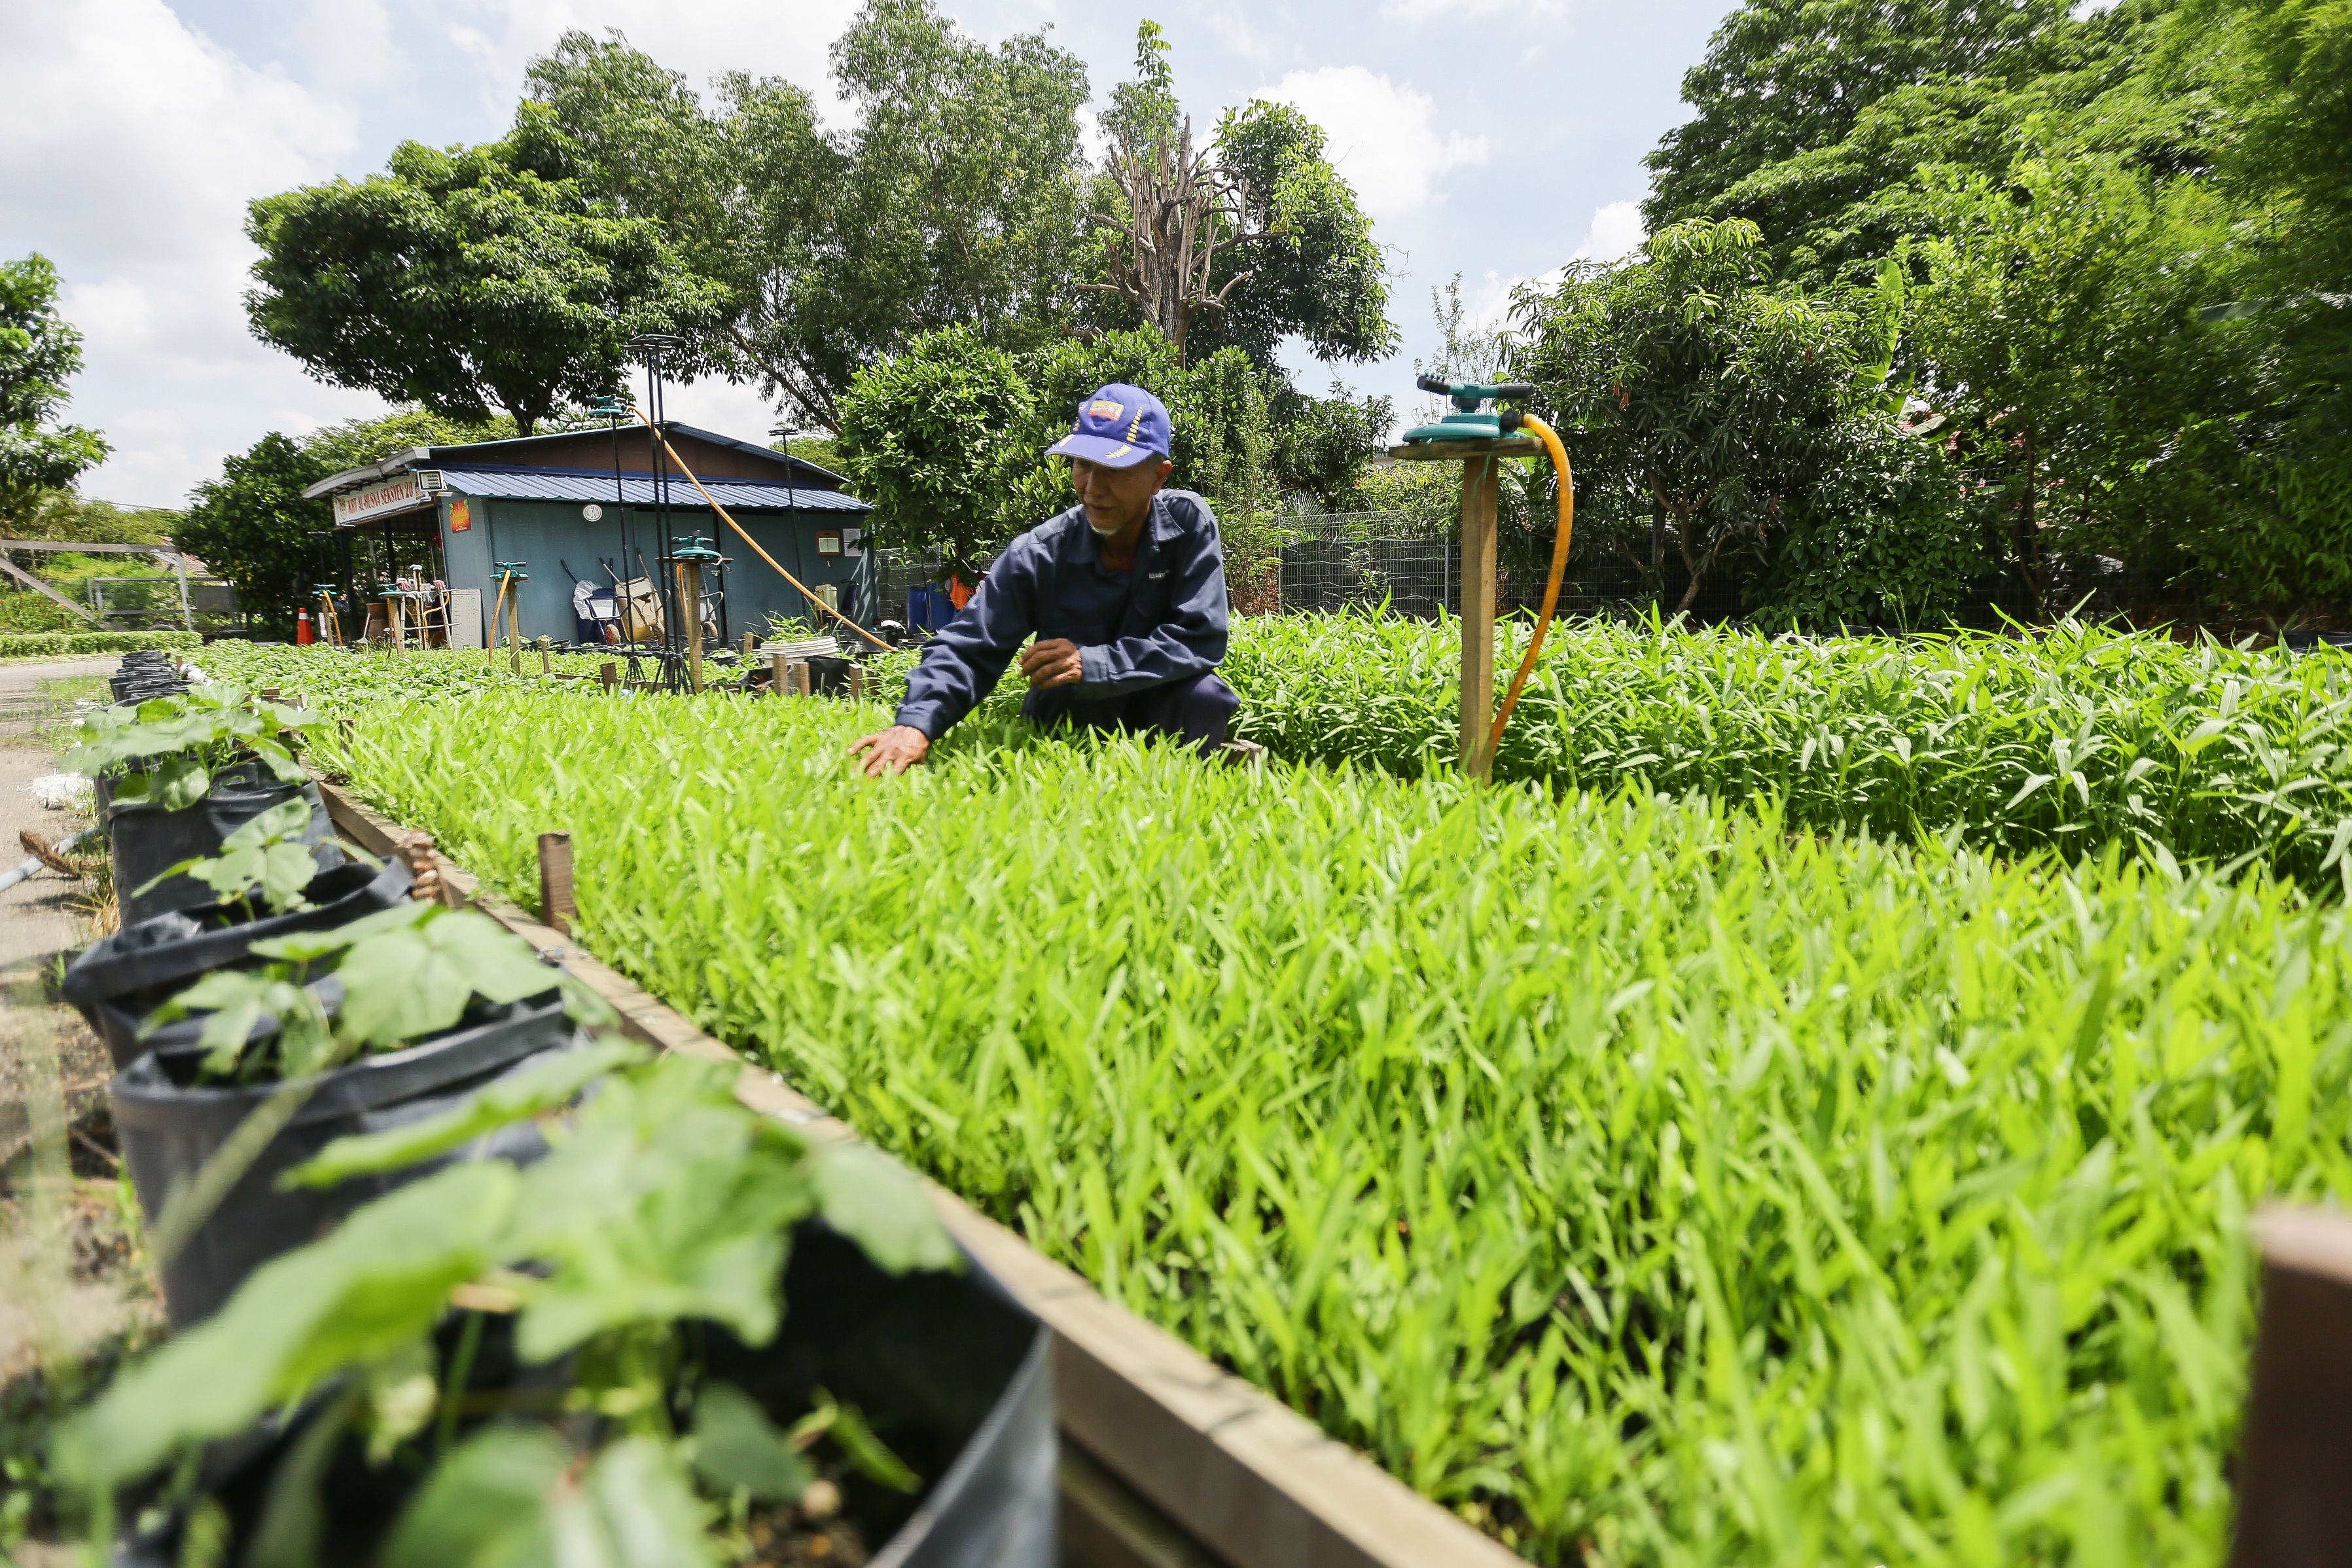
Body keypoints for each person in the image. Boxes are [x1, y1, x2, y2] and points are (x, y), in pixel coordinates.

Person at [851, 383, 1239, 777]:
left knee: (1206, 697)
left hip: (1162, 703)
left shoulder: (1187, 523)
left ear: (1158, 477)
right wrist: (916, 722)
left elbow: (1201, 636)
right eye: (1083, 465)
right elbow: (971, 644)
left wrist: (1094, 663)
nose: (1092, 487)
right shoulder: (1039, 554)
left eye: (1113, 470)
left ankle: (1181, 793)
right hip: (1073, 712)